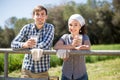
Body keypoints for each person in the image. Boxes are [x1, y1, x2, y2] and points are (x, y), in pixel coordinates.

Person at [11, 5, 54, 79]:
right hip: (27, 69)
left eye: (42, 14)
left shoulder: (50, 27)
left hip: (42, 70)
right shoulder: (27, 28)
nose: (40, 17)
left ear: (46, 16)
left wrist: (30, 46)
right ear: (33, 16)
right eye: (37, 14)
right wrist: (24, 44)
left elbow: (46, 44)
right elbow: (13, 44)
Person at [54, 14, 91, 80]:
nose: (73, 27)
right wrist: (71, 46)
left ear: (80, 26)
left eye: (75, 25)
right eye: (70, 25)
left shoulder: (84, 37)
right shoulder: (65, 37)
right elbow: (56, 46)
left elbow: (88, 46)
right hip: (66, 75)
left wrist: (80, 47)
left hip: (81, 75)